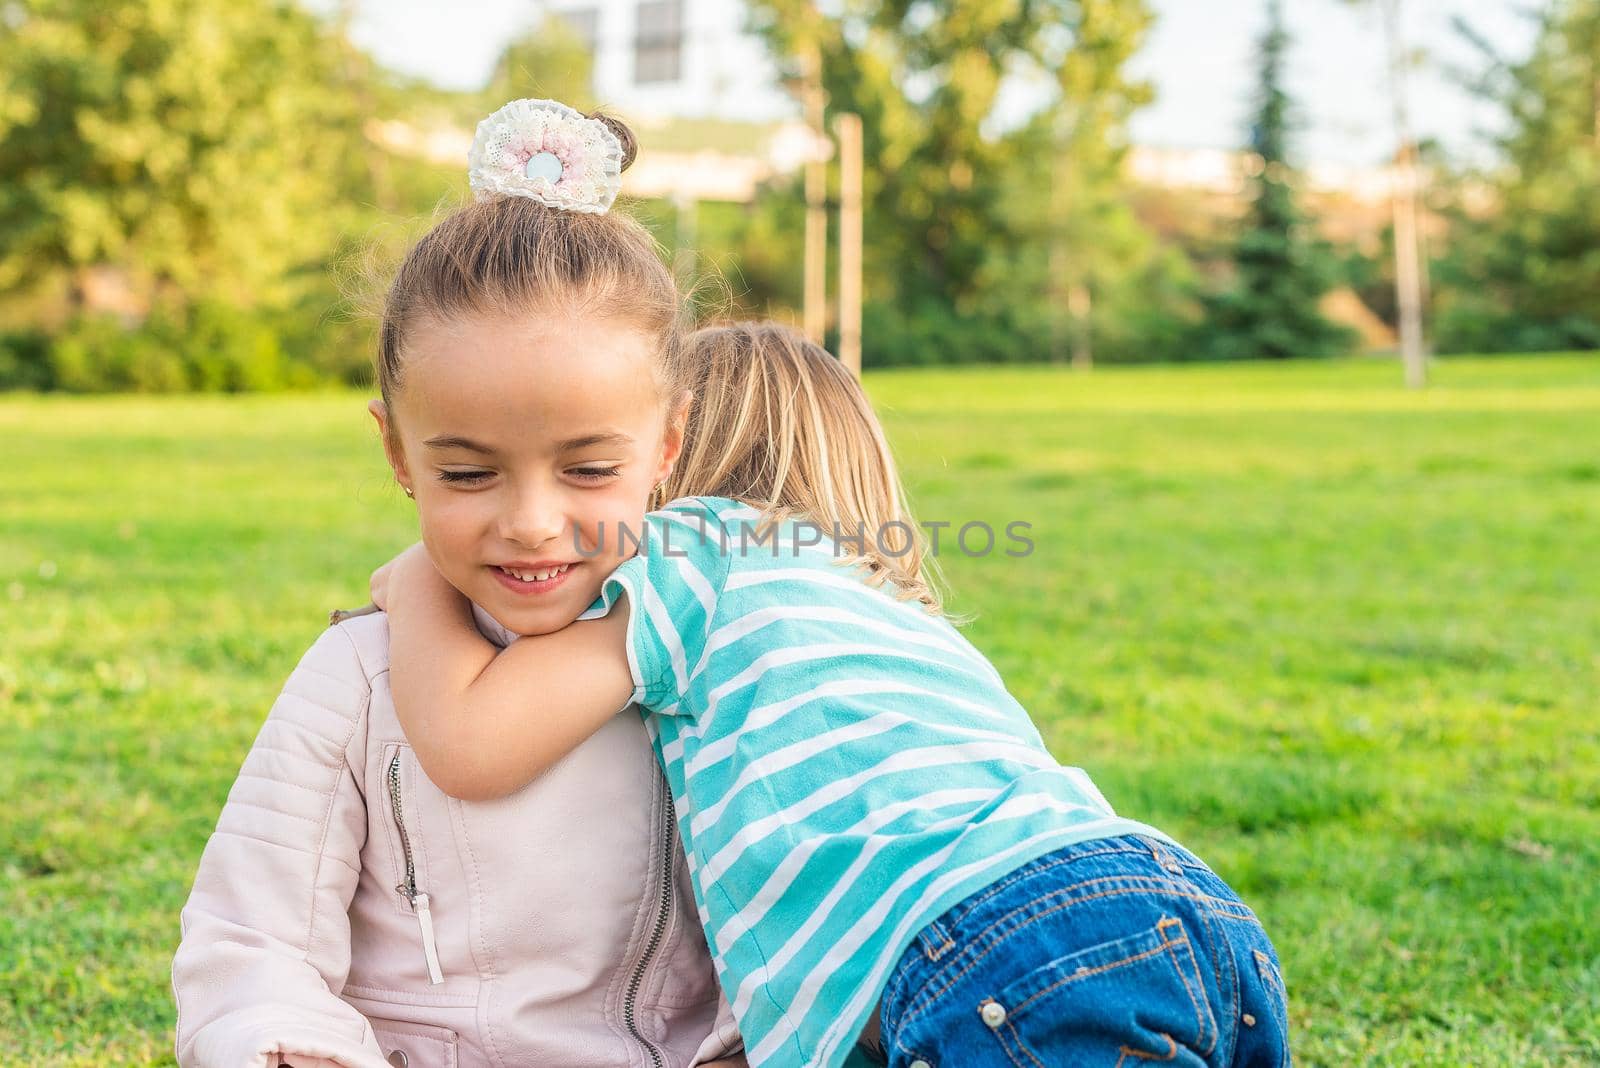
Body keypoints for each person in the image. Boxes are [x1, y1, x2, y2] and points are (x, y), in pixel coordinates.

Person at [371, 318, 1296, 1068]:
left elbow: (470, 744)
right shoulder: (883, 604)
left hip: (995, 945)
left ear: (667, 457)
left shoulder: (695, 550)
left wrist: (418, 577)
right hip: (1186, 911)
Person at [171, 100, 746, 1068]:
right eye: (469, 474)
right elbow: (249, 941)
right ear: (398, 451)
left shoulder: (717, 667)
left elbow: (786, 920)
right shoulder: (354, 677)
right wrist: (291, 1049)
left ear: (669, 445)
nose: (528, 521)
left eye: (588, 470)